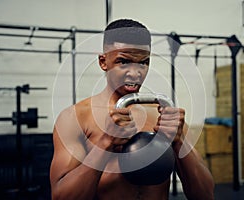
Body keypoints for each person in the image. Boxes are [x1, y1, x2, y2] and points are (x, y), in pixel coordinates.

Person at [50, 18, 214, 200]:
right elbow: (61, 197)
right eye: (124, 62)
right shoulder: (75, 118)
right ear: (104, 62)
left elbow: (205, 195)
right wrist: (105, 143)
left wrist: (179, 141)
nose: (135, 73)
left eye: (143, 62)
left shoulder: (162, 115)